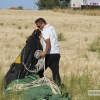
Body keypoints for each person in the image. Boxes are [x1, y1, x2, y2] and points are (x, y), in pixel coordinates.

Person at [35, 18, 61, 85]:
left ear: (42, 23)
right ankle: (59, 87)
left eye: (39, 26)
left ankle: (42, 85)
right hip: (56, 53)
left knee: (39, 71)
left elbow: (48, 43)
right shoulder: (52, 28)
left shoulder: (45, 30)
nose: (39, 28)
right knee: (55, 73)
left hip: (49, 54)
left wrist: (45, 52)